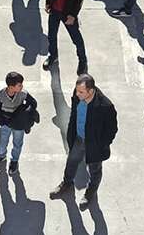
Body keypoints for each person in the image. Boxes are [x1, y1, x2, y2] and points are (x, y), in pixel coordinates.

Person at [50, 74, 117, 209]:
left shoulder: (105, 106)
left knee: (94, 170)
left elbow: (112, 130)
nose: (77, 94)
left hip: (94, 145)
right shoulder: (77, 96)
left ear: (90, 91)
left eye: (81, 92)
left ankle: (91, 192)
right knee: (71, 162)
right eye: (77, 91)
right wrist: (71, 136)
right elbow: (74, 116)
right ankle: (67, 183)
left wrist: (101, 145)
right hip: (78, 139)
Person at [0, 71, 40, 174]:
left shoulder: (23, 94)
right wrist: (2, 122)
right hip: (6, 124)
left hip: (18, 125)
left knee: (17, 143)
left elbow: (33, 103)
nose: (22, 86)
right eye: (19, 85)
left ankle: (14, 161)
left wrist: (25, 112)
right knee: (2, 141)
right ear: (11, 87)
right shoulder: (1, 95)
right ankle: (1, 156)